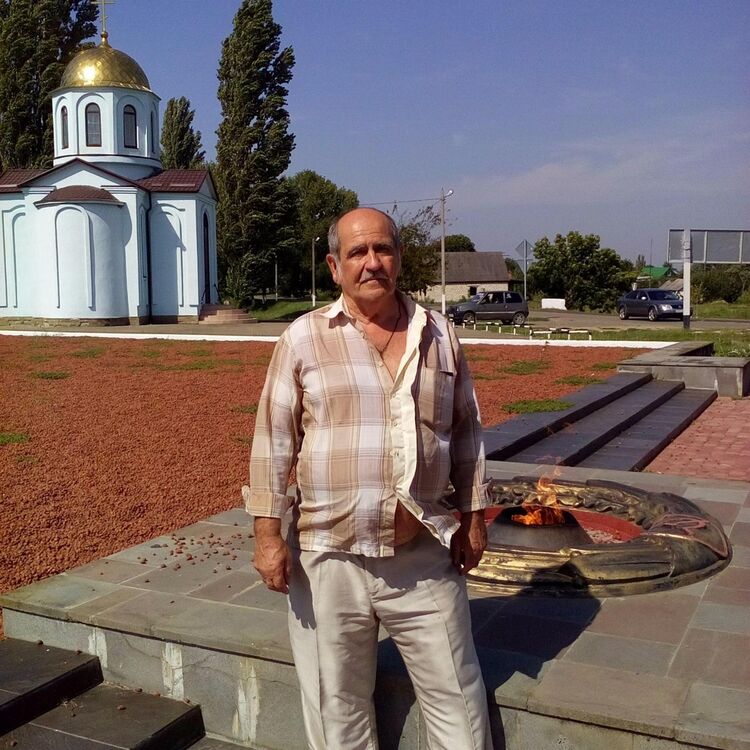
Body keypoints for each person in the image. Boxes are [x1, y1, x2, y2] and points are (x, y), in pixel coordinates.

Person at [246, 207, 492, 749]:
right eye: (357, 252)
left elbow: (467, 433)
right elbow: (274, 442)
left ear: (399, 258)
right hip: (328, 556)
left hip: (423, 553)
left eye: (383, 249)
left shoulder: (440, 335)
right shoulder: (303, 338)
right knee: (338, 707)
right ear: (335, 267)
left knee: (457, 697)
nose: (372, 262)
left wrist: (474, 518)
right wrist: (267, 535)